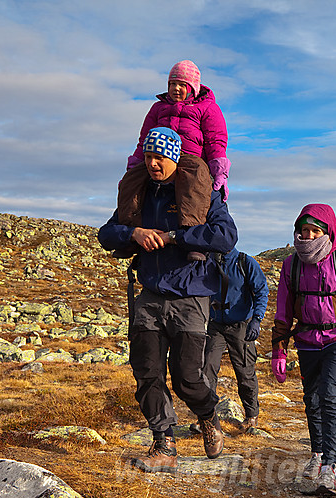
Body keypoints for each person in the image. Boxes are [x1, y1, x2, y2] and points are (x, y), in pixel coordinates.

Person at [99, 127, 237, 474]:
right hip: (149, 295)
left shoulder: (202, 194)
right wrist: (134, 233)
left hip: (190, 296)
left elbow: (225, 236)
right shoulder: (140, 194)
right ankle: (164, 443)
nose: (153, 163)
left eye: (159, 157)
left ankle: (208, 418)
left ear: (174, 157)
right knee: (147, 373)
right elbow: (106, 233)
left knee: (187, 376)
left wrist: (175, 236)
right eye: (148, 157)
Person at [271, 204, 336, 496]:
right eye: (304, 230)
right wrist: (279, 350)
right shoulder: (290, 265)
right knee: (311, 399)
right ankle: (317, 454)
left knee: (330, 396)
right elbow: (283, 310)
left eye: (315, 230)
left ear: (328, 231)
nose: (309, 235)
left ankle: (330, 467)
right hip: (306, 340)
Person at [127, 60, 231, 201]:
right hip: (160, 158)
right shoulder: (158, 108)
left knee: (193, 188)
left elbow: (215, 142)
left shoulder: (208, 108)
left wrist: (219, 173)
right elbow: (144, 140)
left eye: (182, 85)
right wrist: (134, 167)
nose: (176, 88)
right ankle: (127, 220)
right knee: (132, 184)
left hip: (190, 159)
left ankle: (190, 223)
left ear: (193, 88)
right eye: (172, 84)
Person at [202, 247, 269, 432]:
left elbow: (262, 291)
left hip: (241, 325)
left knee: (244, 371)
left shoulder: (245, 262)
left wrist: (256, 319)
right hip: (214, 325)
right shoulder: (207, 260)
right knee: (207, 367)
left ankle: (251, 416)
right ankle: (206, 418)